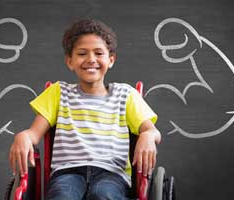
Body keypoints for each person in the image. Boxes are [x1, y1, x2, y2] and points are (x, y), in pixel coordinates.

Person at [9, 19, 161, 200]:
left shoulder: (125, 94)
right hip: (67, 172)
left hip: (111, 173)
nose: (91, 59)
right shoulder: (58, 93)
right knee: (63, 196)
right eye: (82, 53)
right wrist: (23, 136)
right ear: (70, 61)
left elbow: (152, 131)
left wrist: (148, 135)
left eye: (99, 53)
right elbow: (33, 134)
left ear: (110, 60)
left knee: (104, 194)